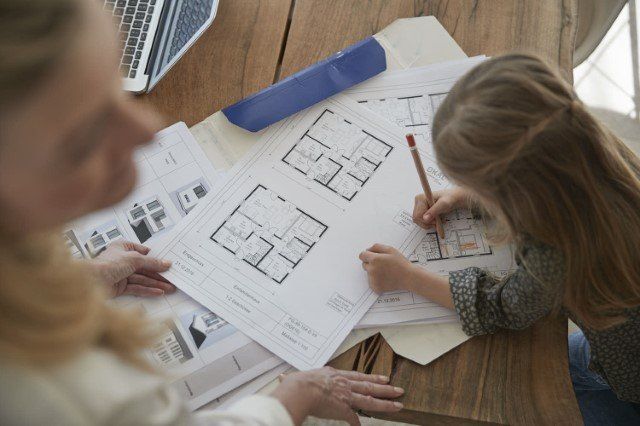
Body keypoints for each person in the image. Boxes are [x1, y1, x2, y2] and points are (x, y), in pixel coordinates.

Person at [0, 0, 404, 424]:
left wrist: (77, 281)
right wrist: (292, 398)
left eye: (114, 85)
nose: (146, 128)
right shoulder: (68, 393)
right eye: (84, 132)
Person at [359, 54, 640, 424]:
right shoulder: (600, 157)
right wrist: (465, 196)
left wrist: (407, 277)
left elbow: (503, 307)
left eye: (482, 190)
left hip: (628, 377)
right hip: (620, 341)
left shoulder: (555, 252)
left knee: (525, 401)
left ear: (519, 196)